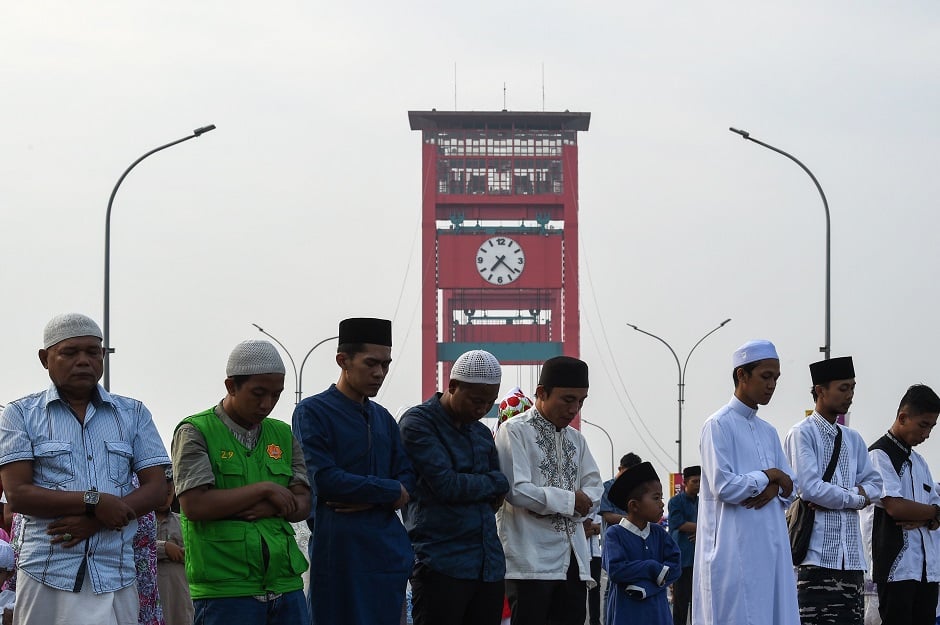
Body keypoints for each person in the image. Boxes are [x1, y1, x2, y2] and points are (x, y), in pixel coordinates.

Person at [0, 313, 169, 625]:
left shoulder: (133, 413)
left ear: (103, 356)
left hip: (114, 572)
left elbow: (157, 488)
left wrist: (98, 522)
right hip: (46, 573)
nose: (83, 361)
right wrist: (95, 501)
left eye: (93, 352)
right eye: (69, 352)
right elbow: (18, 494)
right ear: (44, 358)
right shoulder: (20, 414)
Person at [172, 339, 311, 625]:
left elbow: (303, 503)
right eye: (258, 393)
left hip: (285, 585)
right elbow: (196, 505)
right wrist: (266, 489)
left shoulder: (282, 434)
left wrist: (270, 508)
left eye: (276, 395)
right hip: (225, 590)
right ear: (231, 386)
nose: (267, 404)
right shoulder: (196, 431)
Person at [292, 318, 415, 625]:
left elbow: (409, 480)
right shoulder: (312, 412)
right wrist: (388, 493)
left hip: (388, 558)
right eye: (371, 363)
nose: (380, 373)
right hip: (340, 558)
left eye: (385, 364)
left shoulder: (384, 418)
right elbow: (325, 479)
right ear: (342, 361)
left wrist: (372, 496)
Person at [693, 339, 799, 625]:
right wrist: (768, 476)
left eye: (776, 378)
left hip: (772, 547)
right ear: (742, 375)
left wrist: (776, 484)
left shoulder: (769, 431)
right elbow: (725, 486)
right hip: (734, 550)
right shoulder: (718, 425)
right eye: (766, 376)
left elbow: (792, 487)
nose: (772, 385)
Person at [399, 349, 509, 625]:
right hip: (441, 562)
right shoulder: (418, 423)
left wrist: (481, 485)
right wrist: (492, 482)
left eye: (489, 402)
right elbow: (447, 485)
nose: (482, 409)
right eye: (476, 400)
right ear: (452, 386)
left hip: (488, 565)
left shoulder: (482, 433)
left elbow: (497, 494)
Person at [494, 355, 604, 625]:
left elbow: (595, 488)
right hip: (530, 562)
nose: (574, 409)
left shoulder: (576, 440)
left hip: (574, 562)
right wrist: (570, 502)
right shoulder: (514, 431)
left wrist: (580, 503)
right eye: (568, 399)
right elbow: (516, 490)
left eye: (581, 401)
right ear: (541, 393)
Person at [783, 356, 881, 625]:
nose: (849, 395)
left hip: (852, 562)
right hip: (815, 559)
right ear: (820, 390)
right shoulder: (802, 434)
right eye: (842, 388)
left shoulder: (854, 439)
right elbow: (811, 489)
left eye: (852, 388)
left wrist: (842, 497)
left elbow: (876, 486)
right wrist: (855, 497)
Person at [867, 384, 940, 625]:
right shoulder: (879, 455)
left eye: (932, 427)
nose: (927, 434)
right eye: (923, 425)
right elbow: (895, 507)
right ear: (903, 417)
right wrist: (932, 514)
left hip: (926, 570)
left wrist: (929, 515)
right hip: (895, 570)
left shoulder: (920, 463)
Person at [603, 461, 681, 625]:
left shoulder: (659, 533)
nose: (661, 503)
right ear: (634, 506)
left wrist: (646, 588)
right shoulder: (615, 534)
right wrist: (653, 568)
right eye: (656, 498)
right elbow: (616, 570)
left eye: (661, 497)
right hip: (627, 613)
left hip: (658, 613)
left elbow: (675, 567)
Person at [154, 468, 193, 625]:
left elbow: (196, 552)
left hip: (180, 599)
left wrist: (185, 553)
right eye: (161, 493)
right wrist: (165, 548)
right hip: (151, 598)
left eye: (169, 494)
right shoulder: (140, 522)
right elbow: (133, 546)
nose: (165, 498)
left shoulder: (184, 521)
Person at [667, 465, 700, 625]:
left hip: (699, 560)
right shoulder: (675, 501)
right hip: (682, 559)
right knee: (680, 603)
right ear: (685, 482)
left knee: (699, 603)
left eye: (700, 481)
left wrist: (701, 530)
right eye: (694, 481)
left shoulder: (703, 502)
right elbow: (677, 523)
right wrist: (703, 528)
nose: (698, 485)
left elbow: (715, 523)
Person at [584, 513, 603, 625]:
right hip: (580, 553)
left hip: (595, 553)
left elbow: (599, 529)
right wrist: (592, 528)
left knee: (595, 588)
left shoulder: (595, 507)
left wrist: (586, 528)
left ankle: (595, 621)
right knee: (578, 587)